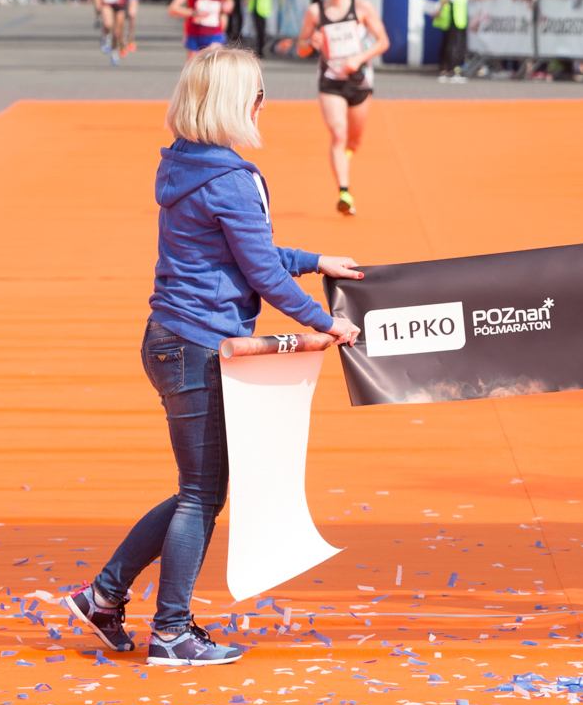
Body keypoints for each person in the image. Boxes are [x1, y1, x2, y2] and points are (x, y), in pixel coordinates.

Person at [65, 48, 362, 667]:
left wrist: (313, 260)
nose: (263, 104)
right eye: (257, 94)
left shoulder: (183, 166)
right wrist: (325, 321)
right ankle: (170, 631)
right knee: (202, 494)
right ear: (236, 103)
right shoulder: (232, 177)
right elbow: (258, 270)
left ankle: (104, 596)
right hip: (199, 345)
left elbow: (239, 252)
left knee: (197, 490)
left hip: (169, 338)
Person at [295, 0, 390, 216]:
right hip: (330, 83)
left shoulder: (362, 7)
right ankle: (344, 193)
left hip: (359, 82)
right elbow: (301, 48)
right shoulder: (316, 12)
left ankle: (347, 155)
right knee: (338, 134)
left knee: (354, 141)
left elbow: (383, 42)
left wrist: (359, 58)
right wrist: (310, 43)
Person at [435, 0, 469, 83]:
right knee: (453, 42)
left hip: (452, 12)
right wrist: (439, 8)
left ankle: (445, 69)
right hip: (454, 13)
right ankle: (451, 69)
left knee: (448, 41)